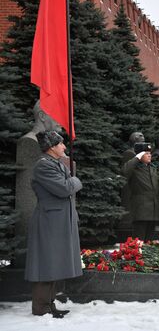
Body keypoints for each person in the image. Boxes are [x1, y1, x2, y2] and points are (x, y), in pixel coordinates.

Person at [25, 131, 83, 318]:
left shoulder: (54, 163)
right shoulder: (44, 166)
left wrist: (70, 183)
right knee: (46, 263)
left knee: (53, 263)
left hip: (58, 219)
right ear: (51, 147)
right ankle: (41, 307)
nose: (64, 146)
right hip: (49, 220)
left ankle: (49, 304)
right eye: (61, 143)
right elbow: (64, 188)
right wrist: (75, 181)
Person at [122, 142, 159, 241]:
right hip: (141, 211)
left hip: (153, 210)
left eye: (150, 153)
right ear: (139, 155)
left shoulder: (152, 168)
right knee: (138, 241)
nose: (149, 155)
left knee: (150, 241)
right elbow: (124, 171)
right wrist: (136, 158)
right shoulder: (134, 168)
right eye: (146, 153)